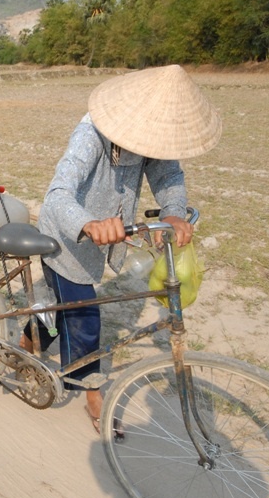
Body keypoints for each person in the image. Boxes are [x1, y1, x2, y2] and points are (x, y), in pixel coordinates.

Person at [20, 64, 221, 436]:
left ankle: (30, 335)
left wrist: (174, 214)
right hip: (67, 236)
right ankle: (92, 391)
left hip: (106, 238)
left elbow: (169, 176)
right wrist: (88, 223)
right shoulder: (91, 133)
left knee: (58, 306)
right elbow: (58, 194)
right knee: (83, 316)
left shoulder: (152, 138)